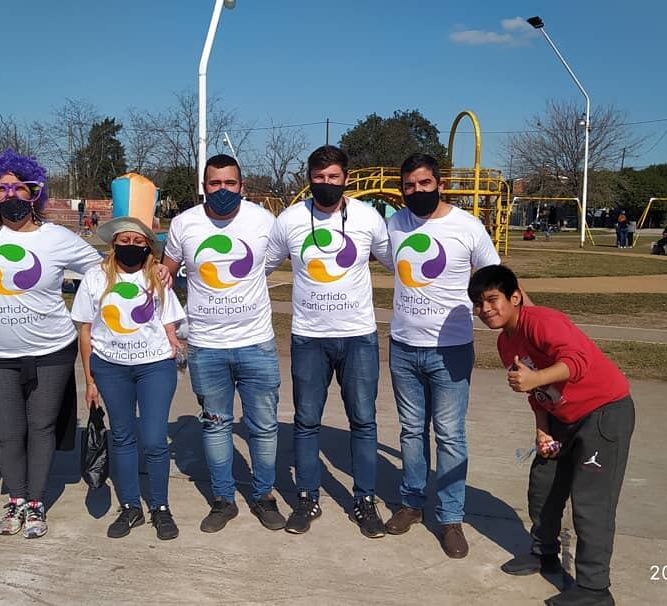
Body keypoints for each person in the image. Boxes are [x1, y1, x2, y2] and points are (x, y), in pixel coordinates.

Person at [0, 149, 103, 539]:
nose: (10, 196)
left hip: (52, 351)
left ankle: (35, 502)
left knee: (42, 427)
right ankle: (15, 498)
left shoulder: (58, 238)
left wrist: (150, 276)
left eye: (19, 188)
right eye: (0, 189)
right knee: (5, 431)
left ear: (34, 192)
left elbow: (101, 270)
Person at [469, 264, 634, 606]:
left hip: (603, 412)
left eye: (492, 299)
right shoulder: (505, 343)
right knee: (543, 487)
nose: (485, 310)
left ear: (515, 297)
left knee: (591, 503)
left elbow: (577, 362)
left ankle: (594, 590)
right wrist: (542, 430)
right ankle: (543, 553)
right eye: (478, 304)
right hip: (560, 419)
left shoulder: (541, 321)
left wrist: (535, 378)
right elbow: (535, 393)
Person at [263, 145, 390, 538]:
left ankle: (364, 499)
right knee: (305, 421)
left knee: (364, 421)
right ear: (309, 179)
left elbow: (397, 262)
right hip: (309, 337)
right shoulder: (290, 220)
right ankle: (306, 497)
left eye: (333, 177)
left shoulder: (368, 218)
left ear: (346, 178)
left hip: (358, 337)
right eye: (318, 178)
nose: (326, 184)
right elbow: (261, 267)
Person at [382, 153, 501, 559]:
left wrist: (526, 325)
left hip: (451, 350)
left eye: (425, 183)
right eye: (409, 185)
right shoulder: (394, 224)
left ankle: (451, 518)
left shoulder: (467, 227)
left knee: (449, 434)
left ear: (440, 184)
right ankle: (412, 503)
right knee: (411, 432)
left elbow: (495, 279)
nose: (417, 191)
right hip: (403, 347)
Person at [161, 154, 285, 533]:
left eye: (230, 183)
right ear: (204, 186)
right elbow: (165, 271)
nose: (222, 190)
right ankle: (223, 499)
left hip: (256, 343)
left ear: (242, 186)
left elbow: (271, 263)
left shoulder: (264, 221)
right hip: (205, 346)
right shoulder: (185, 223)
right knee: (215, 426)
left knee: (263, 427)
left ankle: (264, 496)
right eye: (214, 183)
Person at [72, 216, 185, 541]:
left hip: (154, 368)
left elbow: (168, 320)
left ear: (148, 246)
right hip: (110, 368)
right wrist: (90, 380)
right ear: (114, 243)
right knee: (121, 437)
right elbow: (86, 330)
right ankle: (131, 506)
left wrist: (174, 341)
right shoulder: (95, 278)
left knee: (153, 439)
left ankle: (160, 508)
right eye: (125, 241)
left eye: (139, 242)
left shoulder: (157, 276)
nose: (131, 247)